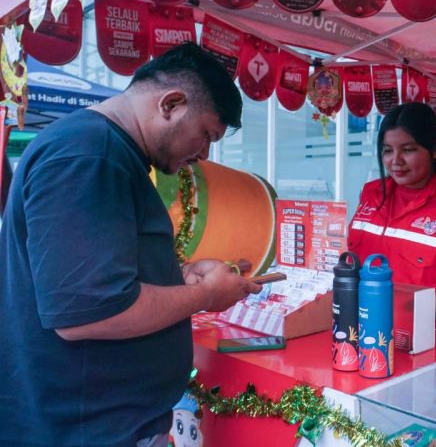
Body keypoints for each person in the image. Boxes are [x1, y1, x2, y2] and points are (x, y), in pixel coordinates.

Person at [0, 43, 262, 445]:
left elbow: (89, 276)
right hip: (85, 429)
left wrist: (177, 276)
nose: (204, 155)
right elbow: (87, 313)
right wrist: (206, 295)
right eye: (206, 135)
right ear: (171, 104)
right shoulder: (89, 155)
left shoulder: (104, 152)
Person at [348, 102, 436, 320]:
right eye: (387, 151)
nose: (395, 161)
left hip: (421, 337)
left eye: (408, 150)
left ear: (435, 150)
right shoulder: (370, 194)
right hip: (359, 325)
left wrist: (403, 316)